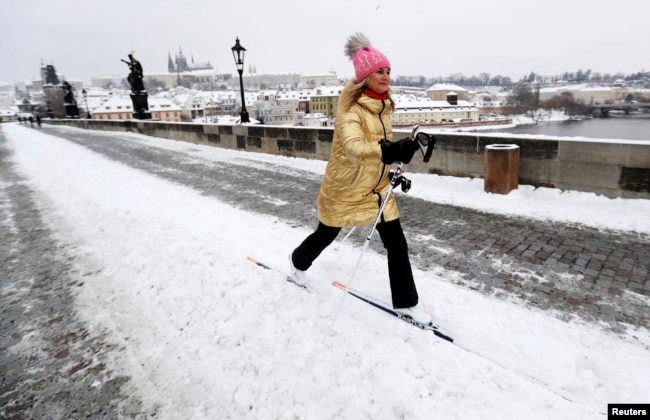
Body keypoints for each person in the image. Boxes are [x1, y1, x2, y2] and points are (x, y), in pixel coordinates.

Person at [289, 33, 430, 325]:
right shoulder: (350, 112)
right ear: (364, 76)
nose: (386, 75)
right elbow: (355, 149)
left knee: (397, 243)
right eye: (379, 70)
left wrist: (395, 161)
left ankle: (406, 303)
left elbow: (377, 151)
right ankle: (297, 263)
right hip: (344, 189)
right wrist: (391, 150)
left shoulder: (383, 109)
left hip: (375, 189)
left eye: (388, 70)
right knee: (326, 234)